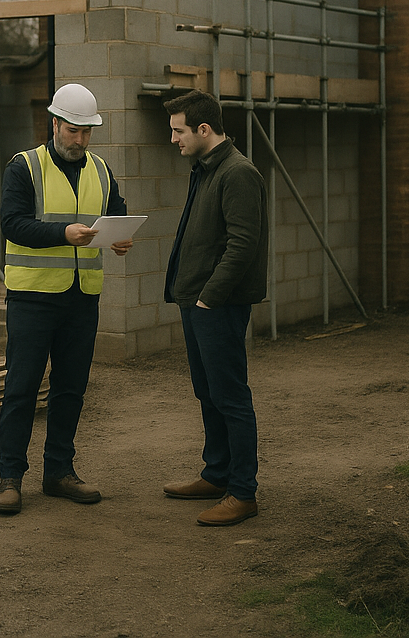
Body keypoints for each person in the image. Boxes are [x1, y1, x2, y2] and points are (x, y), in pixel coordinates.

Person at [0, 83, 132, 515]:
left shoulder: (101, 170)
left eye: (87, 132)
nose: (81, 140)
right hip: (33, 298)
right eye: (74, 130)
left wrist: (120, 238)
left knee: (70, 390)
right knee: (21, 388)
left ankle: (59, 473)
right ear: (54, 124)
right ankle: (10, 479)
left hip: (81, 299)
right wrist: (62, 234)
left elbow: (117, 214)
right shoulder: (25, 167)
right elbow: (13, 224)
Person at [162, 89, 268, 526]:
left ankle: (242, 493)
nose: (174, 139)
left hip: (216, 305)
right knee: (208, 392)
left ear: (204, 129)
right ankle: (217, 474)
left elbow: (243, 245)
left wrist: (209, 297)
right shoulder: (205, 168)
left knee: (230, 396)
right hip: (196, 301)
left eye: (178, 131)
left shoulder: (238, 172)